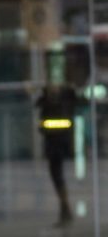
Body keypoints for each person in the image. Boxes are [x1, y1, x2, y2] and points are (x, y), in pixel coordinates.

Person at [36, 84, 77, 227]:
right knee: (57, 177)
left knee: (57, 177)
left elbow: (44, 126)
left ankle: (66, 209)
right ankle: (65, 209)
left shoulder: (56, 106)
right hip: (56, 146)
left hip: (56, 147)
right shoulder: (57, 105)